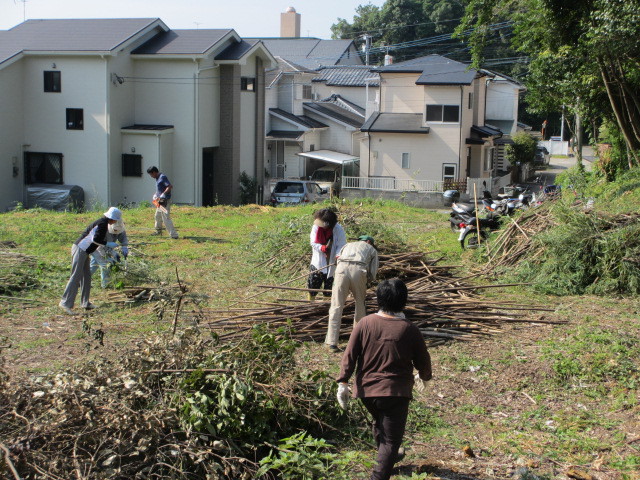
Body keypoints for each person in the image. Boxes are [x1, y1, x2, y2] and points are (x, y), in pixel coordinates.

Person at [336, 278, 432, 480]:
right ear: (403, 301)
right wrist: (425, 377)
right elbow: (423, 360)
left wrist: (343, 382)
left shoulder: (365, 323)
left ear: (379, 299)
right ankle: (380, 472)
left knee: (380, 423)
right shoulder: (409, 329)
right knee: (391, 441)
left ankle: (387, 460)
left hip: (367, 391)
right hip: (395, 393)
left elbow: (350, 355)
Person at [59, 207, 122, 315]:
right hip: (80, 249)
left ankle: (85, 303)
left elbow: (97, 244)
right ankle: (65, 303)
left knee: (86, 276)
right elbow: (96, 240)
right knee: (76, 276)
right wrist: (107, 244)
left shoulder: (103, 223)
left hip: (86, 251)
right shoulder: (102, 224)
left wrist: (110, 251)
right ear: (112, 218)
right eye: (116, 219)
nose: (116, 221)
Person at [325, 235, 379, 351]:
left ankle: (332, 343)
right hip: (358, 270)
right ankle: (357, 341)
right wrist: (367, 281)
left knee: (336, 305)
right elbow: (373, 272)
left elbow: (337, 259)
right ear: (369, 241)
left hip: (341, 269)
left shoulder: (347, 245)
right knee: (360, 304)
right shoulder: (372, 249)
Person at [308, 208, 346, 301]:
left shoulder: (338, 229)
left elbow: (341, 245)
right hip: (318, 262)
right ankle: (310, 302)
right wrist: (321, 248)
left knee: (329, 287)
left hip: (332, 262)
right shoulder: (316, 227)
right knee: (313, 286)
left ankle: (326, 305)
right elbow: (313, 242)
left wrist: (338, 255)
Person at [90, 219, 129, 288]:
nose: (117, 232)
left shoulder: (120, 227)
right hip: (96, 247)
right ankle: (105, 285)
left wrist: (124, 246)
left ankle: (81, 280)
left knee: (93, 265)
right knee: (105, 264)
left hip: (107, 247)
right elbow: (99, 246)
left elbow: (123, 238)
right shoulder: (104, 230)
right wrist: (108, 256)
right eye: (115, 231)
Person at [146, 166, 178, 239]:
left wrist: (163, 194)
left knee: (165, 218)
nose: (151, 176)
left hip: (164, 202)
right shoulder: (157, 178)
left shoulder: (162, 177)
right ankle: (158, 231)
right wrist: (156, 195)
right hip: (160, 201)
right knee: (157, 216)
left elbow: (169, 186)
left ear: (154, 172)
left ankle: (174, 235)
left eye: (151, 174)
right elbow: (160, 189)